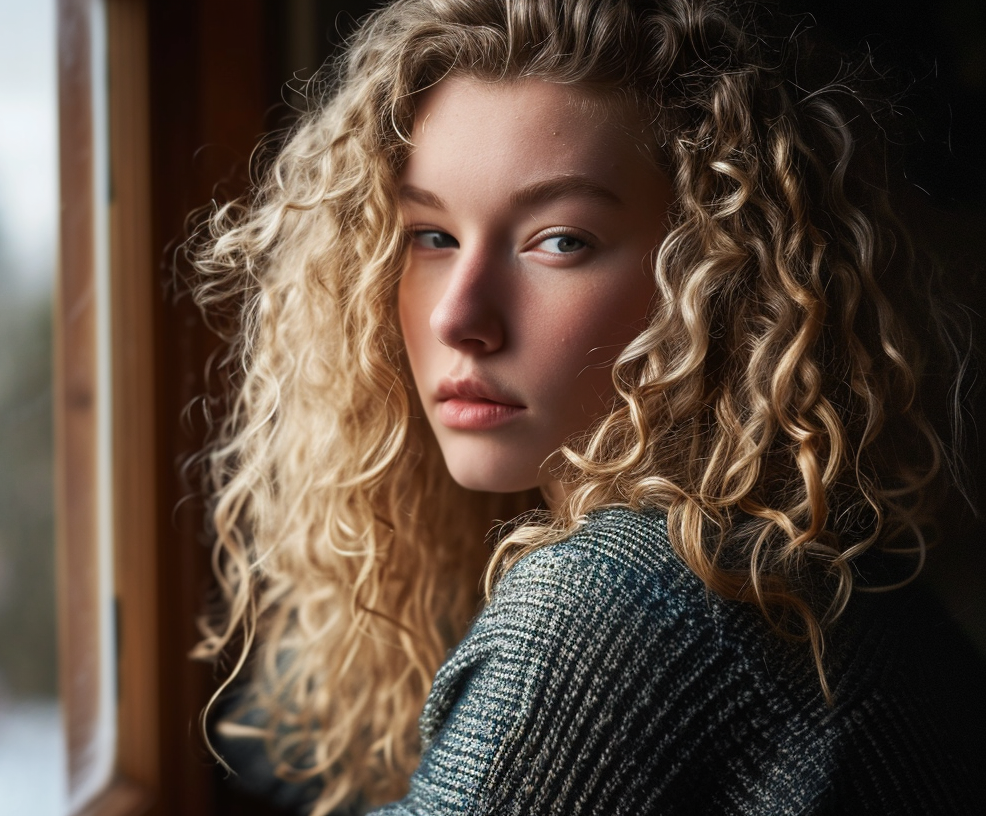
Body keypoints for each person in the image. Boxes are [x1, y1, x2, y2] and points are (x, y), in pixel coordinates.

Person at [188, 0, 986, 814]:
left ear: (717, 275)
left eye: (560, 240)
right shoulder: (806, 553)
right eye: (431, 236)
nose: (456, 318)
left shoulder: (623, 600)